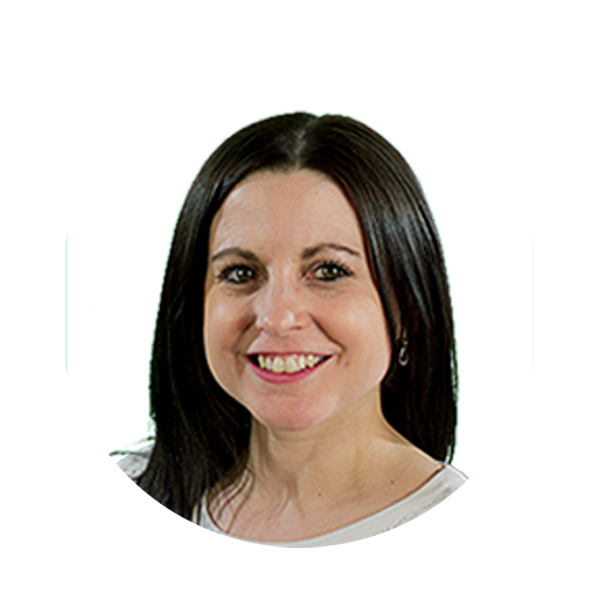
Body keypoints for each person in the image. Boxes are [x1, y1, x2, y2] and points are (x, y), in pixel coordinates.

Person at [65, 112, 535, 548]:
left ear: (407, 309)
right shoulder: (110, 514)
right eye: (240, 273)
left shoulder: (487, 545)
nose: (276, 317)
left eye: (329, 271)